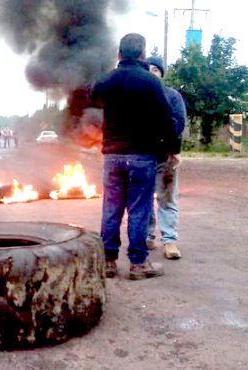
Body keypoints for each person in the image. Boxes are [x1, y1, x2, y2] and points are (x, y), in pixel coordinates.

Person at [91, 33, 181, 280]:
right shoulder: (152, 83)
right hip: (143, 156)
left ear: (119, 54)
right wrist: (173, 149)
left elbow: (92, 96)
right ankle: (138, 264)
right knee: (139, 210)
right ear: (143, 54)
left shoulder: (107, 81)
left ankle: (108, 262)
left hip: (112, 156)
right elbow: (167, 117)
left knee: (111, 208)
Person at [145, 56, 187, 260]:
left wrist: (172, 148)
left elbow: (179, 123)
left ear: (161, 73)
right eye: (147, 69)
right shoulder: (138, 96)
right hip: (142, 156)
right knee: (143, 199)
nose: (151, 72)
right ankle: (147, 236)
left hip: (165, 156)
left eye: (155, 69)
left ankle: (169, 241)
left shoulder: (173, 96)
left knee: (167, 199)